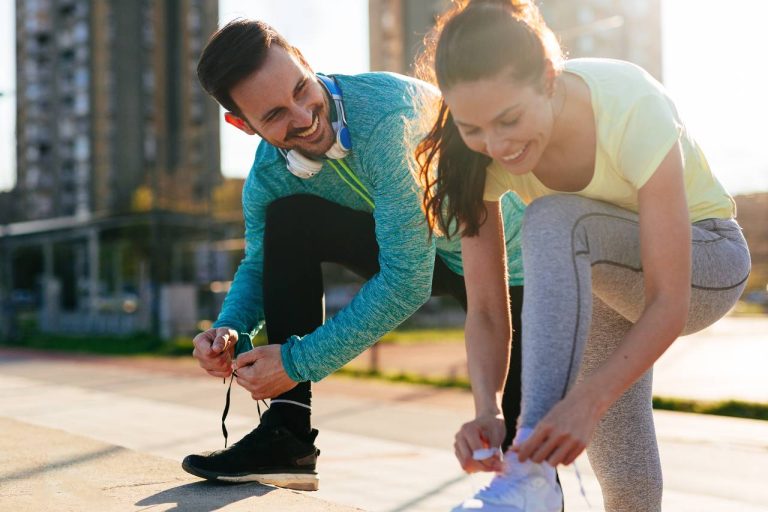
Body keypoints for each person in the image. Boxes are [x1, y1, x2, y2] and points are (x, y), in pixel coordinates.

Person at [415, 0, 751, 511]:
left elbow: (668, 300)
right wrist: (486, 409)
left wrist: (586, 402)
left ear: (548, 78)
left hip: (708, 262)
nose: (497, 145)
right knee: (628, 485)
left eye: (508, 119)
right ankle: (533, 462)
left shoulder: (628, 103)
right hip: (604, 282)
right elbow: (486, 308)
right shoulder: (473, 158)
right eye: (473, 127)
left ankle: (531, 472)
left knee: (550, 216)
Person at [181, 19, 529, 492]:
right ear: (243, 125)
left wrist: (295, 361)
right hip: (422, 250)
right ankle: (288, 437)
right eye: (275, 115)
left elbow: (407, 282)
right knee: (289, 219)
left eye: (302, 89)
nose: (303, 116)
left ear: (304, 60)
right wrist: (230, 329)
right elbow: (260, 262)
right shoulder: (269, 173)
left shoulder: (386, 117)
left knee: (521, 458)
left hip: (513, 266)